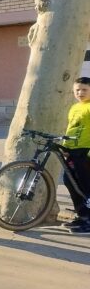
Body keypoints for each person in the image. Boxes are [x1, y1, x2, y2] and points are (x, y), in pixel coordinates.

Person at [62, 77, 90, 233]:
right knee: (70, 181)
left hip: (86, 151)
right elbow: (71, 128)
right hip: (73, 152)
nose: (80, 92)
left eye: (84, 89)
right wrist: (66, 147)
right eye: (77, 90)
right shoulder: (74, 107)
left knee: (86, 185)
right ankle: (82, 215)